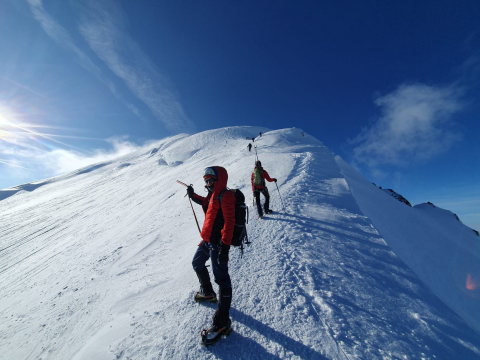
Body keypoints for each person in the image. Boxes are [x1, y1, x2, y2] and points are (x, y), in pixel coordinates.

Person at [187, 166, 235, 342]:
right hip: (206, 241)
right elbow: (204, 202)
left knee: (222, 280)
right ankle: (208, 292)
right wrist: (192, 195)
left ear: (219, 180)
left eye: (210, 180)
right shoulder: (212, 196)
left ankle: (223, 322)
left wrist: (225, 247)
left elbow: (230, 221)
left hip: (218, 245)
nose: (207, 184)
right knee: (197, 263)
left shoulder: (226, 195)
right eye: (206, 181)